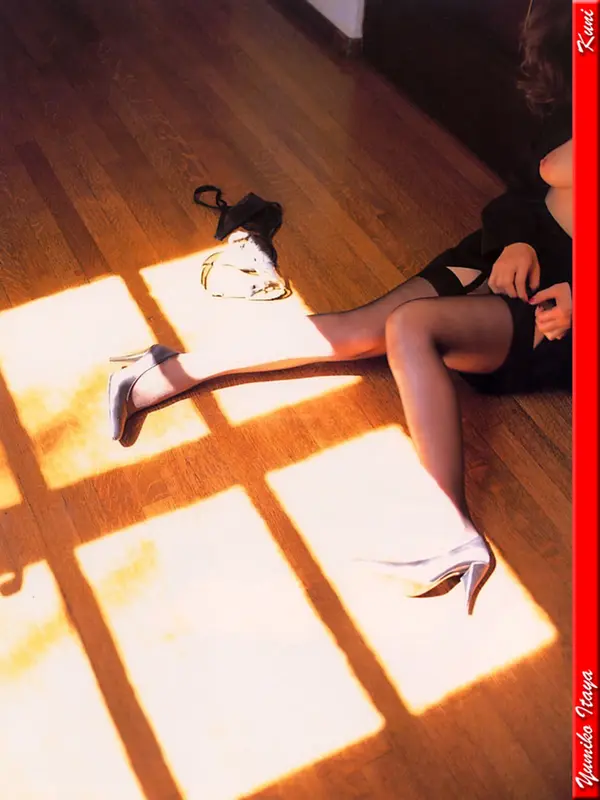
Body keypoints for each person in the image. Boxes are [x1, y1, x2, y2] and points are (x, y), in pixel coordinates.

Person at [107, 0, 573, 614]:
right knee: (359, 330)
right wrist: (515, 240)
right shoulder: (578, 78)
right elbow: (530, 186)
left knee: (410, 327)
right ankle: (173, 368)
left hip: (555, 311)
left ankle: (451, 531)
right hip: (517, 250)